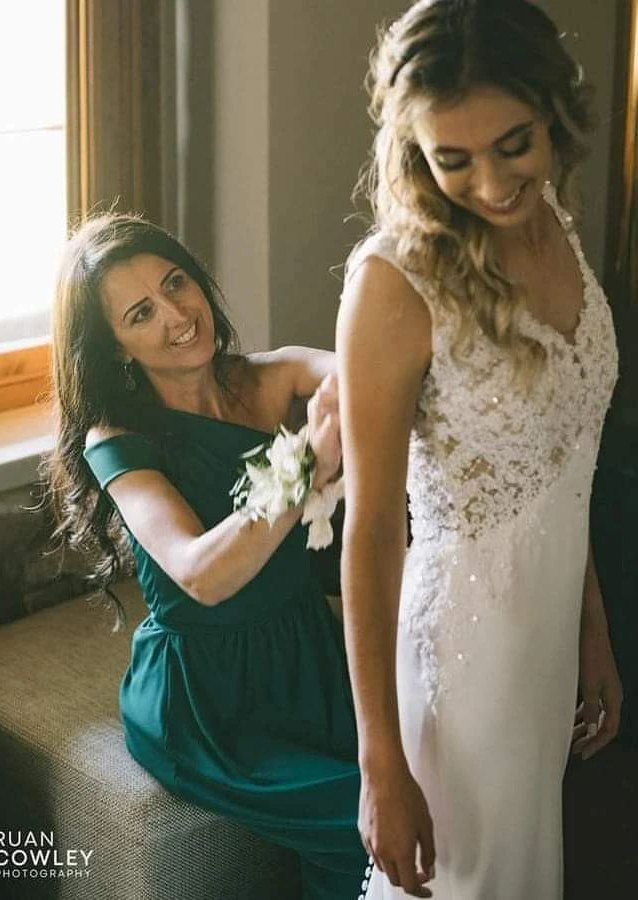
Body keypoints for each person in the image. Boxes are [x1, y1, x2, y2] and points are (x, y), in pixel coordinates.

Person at [336, 2, 622, 898]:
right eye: (451, 158)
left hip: (545, 648)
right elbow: (370, 533)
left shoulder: (556, 224)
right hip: (462, 667)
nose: (493, 183)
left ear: (553, 113)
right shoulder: (394, 284)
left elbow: (561, 462)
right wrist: (380, 762)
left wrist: (593, 629)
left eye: (514, 145)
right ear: (412, 147)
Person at [44, 213, 367, 900]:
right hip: (207, 698)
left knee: (429, 784)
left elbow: (369, 371)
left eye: (174, 284)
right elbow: (201, 573)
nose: (176, 315)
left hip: (309, 652)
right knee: (365, 820)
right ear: (116, 349)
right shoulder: (118, 439)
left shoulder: (272, 376)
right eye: (140, 313)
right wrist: (305, 463)